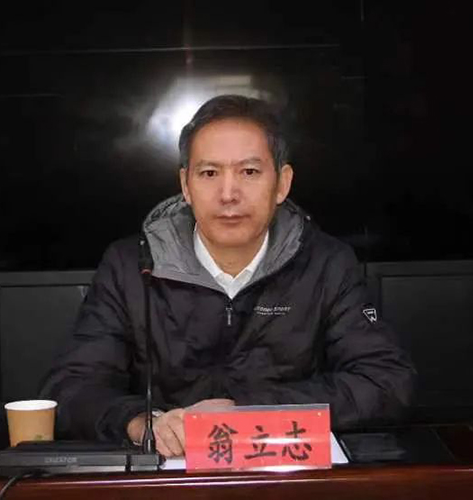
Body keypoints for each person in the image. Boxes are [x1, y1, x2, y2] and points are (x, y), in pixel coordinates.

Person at [40, 94, 415, 458]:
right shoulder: (132, 266)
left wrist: (247, 412)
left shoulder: (326, 263)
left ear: (282, 183)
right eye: (209, 173)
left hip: (282, 474)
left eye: (249, 172)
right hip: (169, 478)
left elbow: (386, 382)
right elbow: (71, 388)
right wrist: (141, 423)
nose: (228, 194)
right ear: (186, 186)